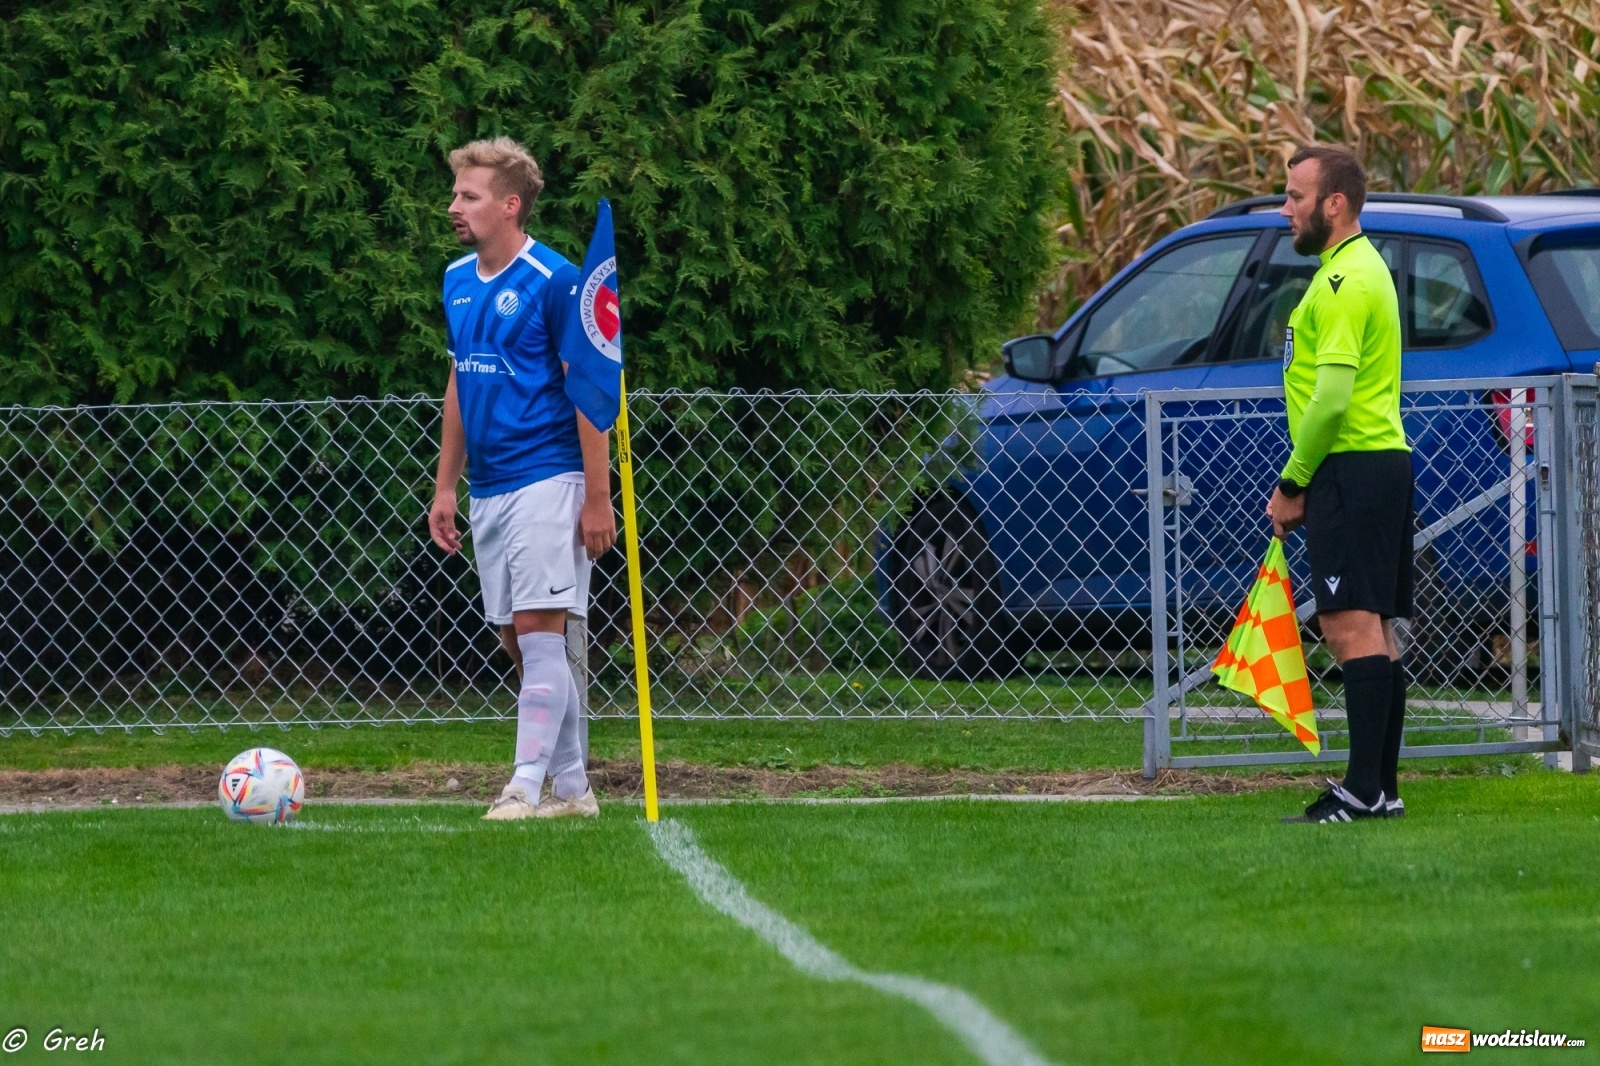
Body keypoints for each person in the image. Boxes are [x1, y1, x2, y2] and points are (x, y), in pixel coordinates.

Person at [427, 137, 617, 820]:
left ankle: (523, 786)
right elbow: (460, 380)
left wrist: (597, 496)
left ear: (510, 205)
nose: (454, 206)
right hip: (491, 488)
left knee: (539, 634)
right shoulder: (456, 279)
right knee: (516, 638)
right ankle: (572, 789)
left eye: (469, 195)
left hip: (550, 477)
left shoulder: (554, 280)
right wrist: (446, 485)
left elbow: (588, 392)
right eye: (456, 193)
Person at [1266, 145, 1413, 823]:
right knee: (1373, 627)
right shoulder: (1353, 269)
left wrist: (1293, 480)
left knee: (1349, 626)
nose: (1285, 209)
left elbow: (1330, 401)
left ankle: (1360, 792)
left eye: (1296, 197)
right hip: (1374, 464)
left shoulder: (1344, 281)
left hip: (1351, 466)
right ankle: (1380, 791)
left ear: (1335, 203)